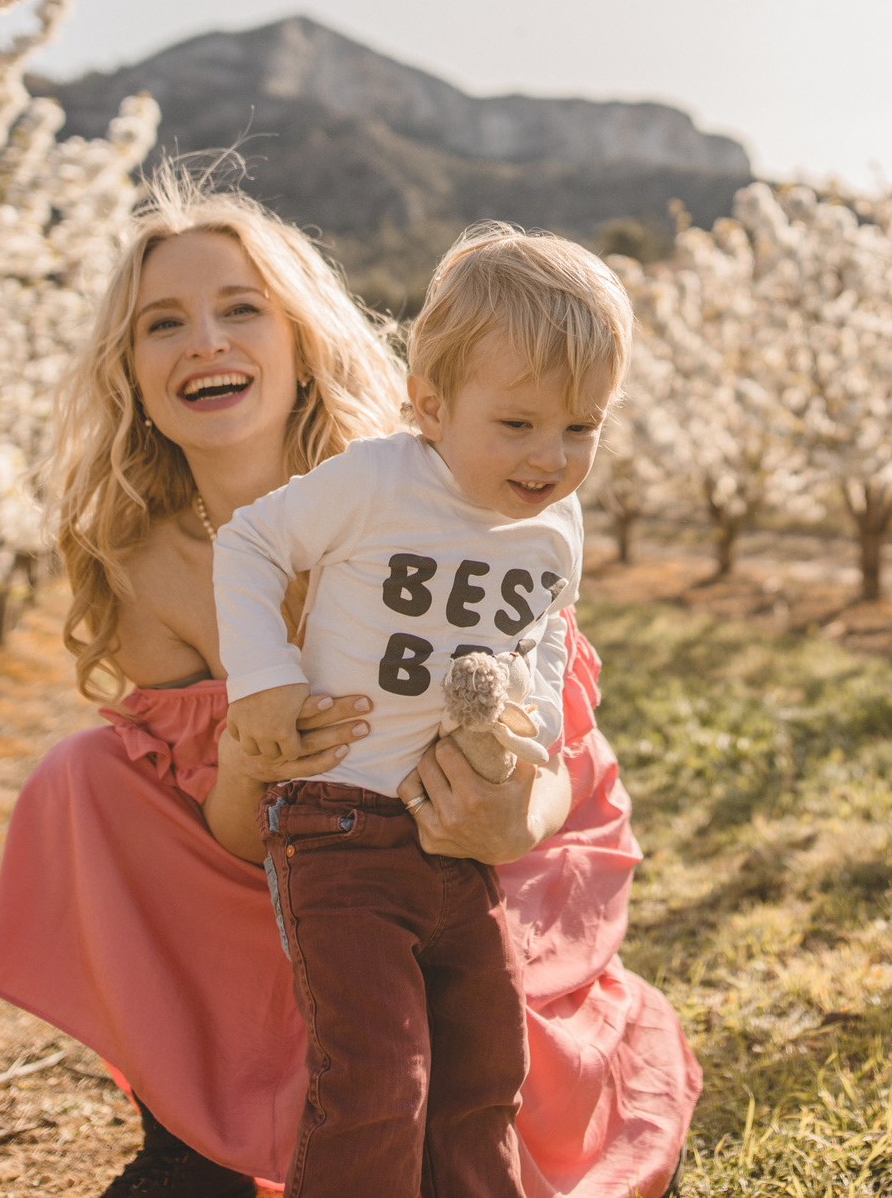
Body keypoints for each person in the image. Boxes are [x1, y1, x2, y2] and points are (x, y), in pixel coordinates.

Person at [0, 177, 699, 1198]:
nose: (205, 341)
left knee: (471, 1073)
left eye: (240, 309)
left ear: (301, 340)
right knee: (83, 775)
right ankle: (193, 1128)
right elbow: (229, 834)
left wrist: (507, 819)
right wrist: (249, 757)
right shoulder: (146, 561)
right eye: (162, 324)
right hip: (296, 859)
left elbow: (559, 731)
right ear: (129, 374)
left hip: (459, 841)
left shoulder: (426, 484)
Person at [215, 227, 631, 1197]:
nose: (551, 457)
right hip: (342, 824)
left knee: (485, 1074)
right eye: (519, 424)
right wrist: (264, 678)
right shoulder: (380, 481)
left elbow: (542, 634)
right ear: (432, 408)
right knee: (378, 1080)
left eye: (582, 428)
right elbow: (249, 545)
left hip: (456, 842)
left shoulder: (553, 526)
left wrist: (519, 732)